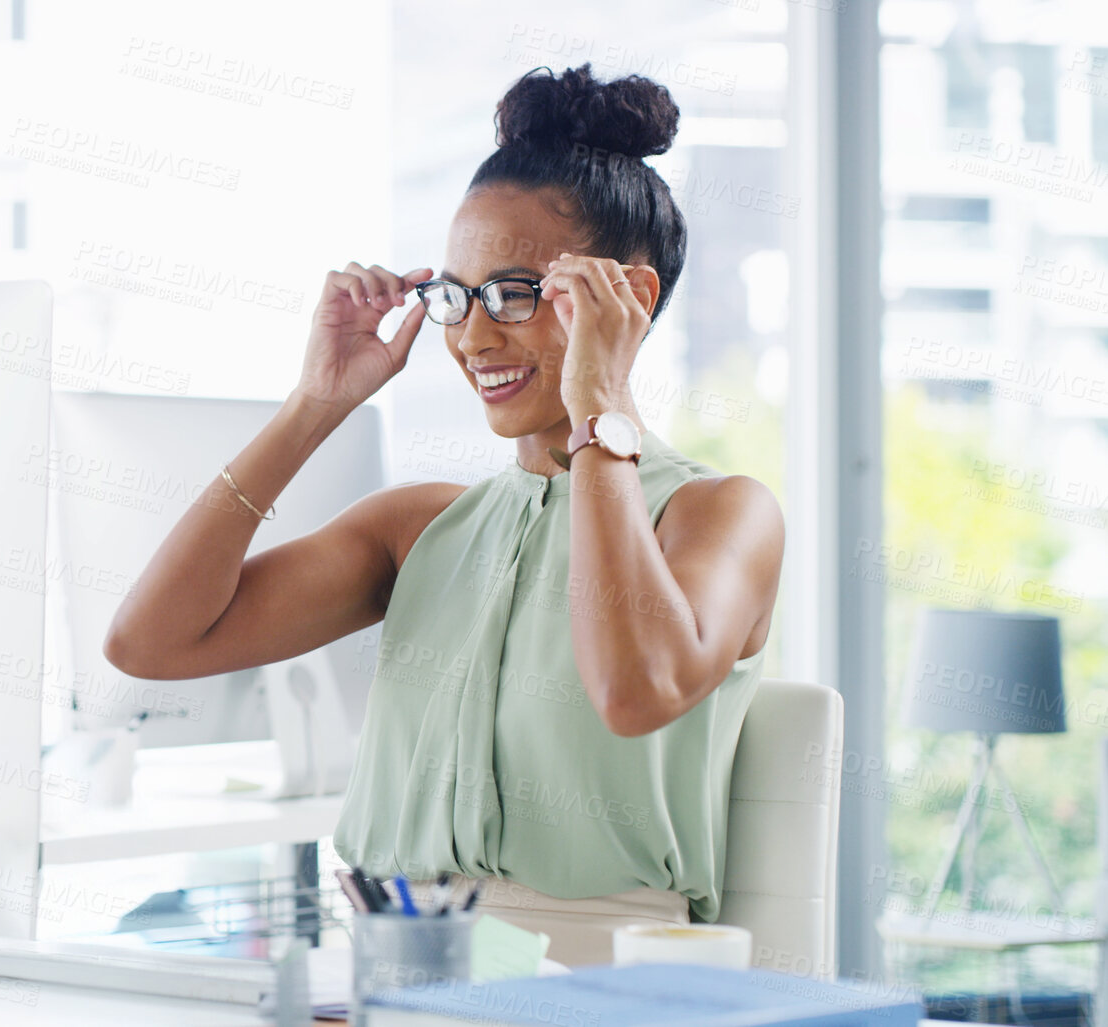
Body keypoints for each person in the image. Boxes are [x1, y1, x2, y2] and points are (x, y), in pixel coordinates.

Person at [101, 63, 785, 966]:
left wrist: (596, 414)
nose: (471, 335)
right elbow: (148, 643)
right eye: (455, 295)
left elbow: (632, 691)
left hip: (602, 983)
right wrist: (316, 401)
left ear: (628, 300)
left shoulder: (719, 513)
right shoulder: (420, 529)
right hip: (391, 969)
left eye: (513, 292)